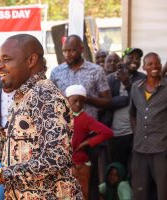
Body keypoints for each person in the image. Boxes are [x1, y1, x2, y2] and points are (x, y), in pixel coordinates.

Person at [0, 34, 82, 199]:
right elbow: (10, 158)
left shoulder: (45, 95)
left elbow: (56, 158)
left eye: (6, 59)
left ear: (31, 61)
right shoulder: (24, 97)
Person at [50, 34, 111, 199]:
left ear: (81, 50)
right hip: (64, 136)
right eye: (65, 51)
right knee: (64, 182)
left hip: (90, 135)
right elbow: (50, 101)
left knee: (89, 183)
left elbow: (107, 101)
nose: (68, 54)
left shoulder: (96, 70)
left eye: (72, 50)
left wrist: (85, 98)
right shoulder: (56, 72)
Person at [130, 52, 167, 200]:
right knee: (139, 191)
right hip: (139, 149)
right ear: (144, 67)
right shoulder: (135, 88)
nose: (155, 66)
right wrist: (136, 132)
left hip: (161, 149)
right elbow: (132, 113)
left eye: (157, 62)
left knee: (163, 191)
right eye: (150, 64)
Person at [66, 84, 113, 200]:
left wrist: (88, 143)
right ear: (67, 101)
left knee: (81, 194)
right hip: (65, 163)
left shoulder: (85, 118)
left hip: (79, 164)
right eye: (74, 101)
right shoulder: (62, 116)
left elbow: (107, 132)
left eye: (81, 101)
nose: (78, 104)